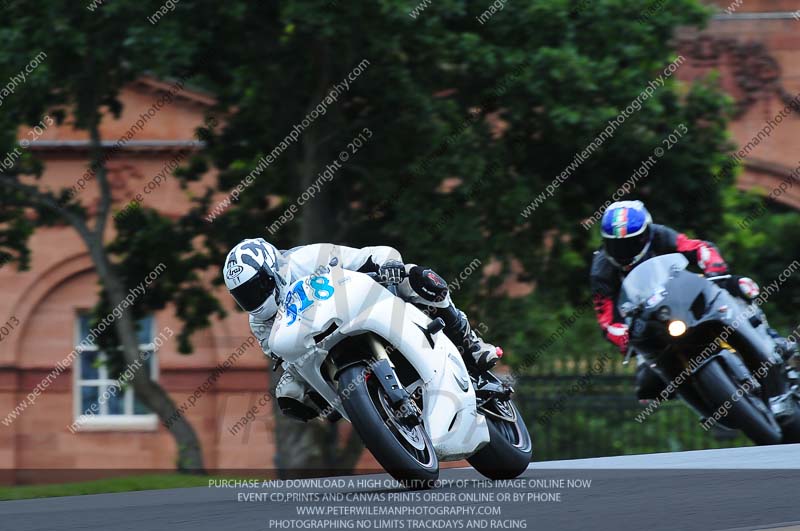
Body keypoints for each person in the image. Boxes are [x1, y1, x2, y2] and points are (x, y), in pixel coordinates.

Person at [223, 238, 502, 421]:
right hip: (323, 347)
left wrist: (389, 266)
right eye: (244, 296)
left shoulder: (308, 258)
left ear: (271, 272)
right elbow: (283, 358)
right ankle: (354, 406)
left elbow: (365, 256)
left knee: (419, 279)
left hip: (360, 308)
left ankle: (471, 342)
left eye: (257, 287)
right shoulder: (259, 322)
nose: (254, 299)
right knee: (289, 392)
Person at [589, 200, 797, 400]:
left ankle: (770, 338)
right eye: (616, 245)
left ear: (646, 234)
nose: (624, 251)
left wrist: (714, 270)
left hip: (682, 297)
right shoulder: (601, 270)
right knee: (647, 386)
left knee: (737, 286)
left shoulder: (661, 235)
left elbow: (698, 248)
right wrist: (624, 336)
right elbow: (606, 320)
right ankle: (705, 398)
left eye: (631, 242)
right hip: (646, 321)